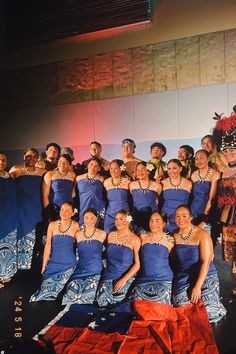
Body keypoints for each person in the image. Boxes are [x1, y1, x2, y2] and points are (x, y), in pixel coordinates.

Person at [172, 205, 226, 323]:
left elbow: (205, 262)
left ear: (191, 217)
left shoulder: (202, 234)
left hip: (205, 274)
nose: (180, 219)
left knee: (208, 314)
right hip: (185, 276)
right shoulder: (173, 235)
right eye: (177, 216)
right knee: (183, 310)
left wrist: (197, 287)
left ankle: (216, 305)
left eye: (184, 216)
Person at [30, 202, 79, 301]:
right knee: (43, 292)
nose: (64, 213)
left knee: (63, 295)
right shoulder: (52, 225)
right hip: (54, 264)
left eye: (67, 211)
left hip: (68, 265)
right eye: (62, 210)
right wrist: (44, 266)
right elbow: (48, 245)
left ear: (73, 213)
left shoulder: (75, 225)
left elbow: (80, 246)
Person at [212, 107, 236, 294]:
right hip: (228, 217)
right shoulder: (222, 171)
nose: (229, 152)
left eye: (232, 149)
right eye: (226, 149)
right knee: (232, 252)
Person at [9, 148, 46, 270]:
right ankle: (20, 265)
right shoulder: (16, 169)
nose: (32, 158)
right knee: (21, 234)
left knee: (37, 235)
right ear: (24, 156)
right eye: (29, 156)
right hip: (21, 208)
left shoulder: (43, 172)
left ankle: (34, 265)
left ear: (38, 158)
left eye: (35, 156)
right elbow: (7, 185)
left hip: (37, 209)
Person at [62, 208, 106, 304]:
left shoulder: (103, 234)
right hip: (80, 269)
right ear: (83, 218)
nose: (89, 221)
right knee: (71, 290)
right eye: (86, 218)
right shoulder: (77, 234)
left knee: (88, 293)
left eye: (92, 218)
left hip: (94, 269)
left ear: (96, 219)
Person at [96, 210, 140, 307]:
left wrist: (123, 279)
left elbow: (137, 265)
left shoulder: (135, 239)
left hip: (125, 277)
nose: (118, 222)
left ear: (128, 221)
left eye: (121, 219)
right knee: (101, 301)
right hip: (109, 275)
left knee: (117, 302)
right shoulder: (111, 235)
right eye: (116, 219)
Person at [131, 211, 174, 303]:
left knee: (158, 311)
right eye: (151, 220)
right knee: (136, 308)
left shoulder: (170, 240)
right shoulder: (142, 237)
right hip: (144, 279)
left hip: (164, 279)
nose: (153, 224)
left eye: (157, 221)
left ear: (164, 223)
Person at [190, 149, 220, 231]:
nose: (199, 161)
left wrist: (204, 218)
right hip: (193, 212)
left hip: (208, 213)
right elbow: (192, 196)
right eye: (196, 158)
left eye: (201, 158)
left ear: (208, 159)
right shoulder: (193, 175)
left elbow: (212, 199)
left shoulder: (215, 174)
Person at [0, 152, 18, 287]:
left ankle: (6, 273)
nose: (1, 162)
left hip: (10, 215)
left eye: (4, 160)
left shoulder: (10, 176)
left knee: (9, 245)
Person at [130, 161, 162, 234]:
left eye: (142, 169)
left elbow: (158, 199)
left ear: (148, 171)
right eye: (138, 170)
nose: (140, 172)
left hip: (152, 217)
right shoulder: (132, 185)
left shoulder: (157, 186)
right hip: (137, 216)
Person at [42, 154, 76, 222]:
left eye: (65, 162)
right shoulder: (50, 174)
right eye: (60, 161)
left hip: (69, 207)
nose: (62, 164)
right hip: (55, 207)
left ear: (69, 164)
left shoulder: (73, 175)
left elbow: (73, 194)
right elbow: (45, 197)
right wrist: (48, 213)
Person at [162, 159, 192, 233]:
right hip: (166, 219)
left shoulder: (189, 183)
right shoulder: (162, 183)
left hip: (181, 219)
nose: (171, 171)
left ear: (180, 168)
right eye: (169, 168)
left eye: (174, 168)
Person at [76, 157, 106, 228]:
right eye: (91, 164)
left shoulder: (102, 179)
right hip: (83, 208)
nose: (93, 167)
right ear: (87, 165)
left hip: (98, 208)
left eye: (96, 166)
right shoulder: (78, 178)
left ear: (99, 168)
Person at [104, 159, 130, 233]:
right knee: (108, 234)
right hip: (110, 215)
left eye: (115, 168)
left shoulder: (127, 182)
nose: (113, 171)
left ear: (121, 169)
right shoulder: (106, 182)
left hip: (124, 214)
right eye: (111, 168)